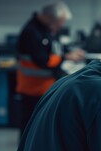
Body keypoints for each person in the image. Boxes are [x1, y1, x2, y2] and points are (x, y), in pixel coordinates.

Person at [16, 1, 85, 135]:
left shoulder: (46, 29)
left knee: (41, 127)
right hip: (33, 89)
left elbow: (54, 50)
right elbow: (44, 60)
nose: (61, 26)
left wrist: (66, 55)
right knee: (29, 128)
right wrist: (67, 57)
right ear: (49, 17)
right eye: (60, 22)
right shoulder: (32, 32)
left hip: (44, 87)